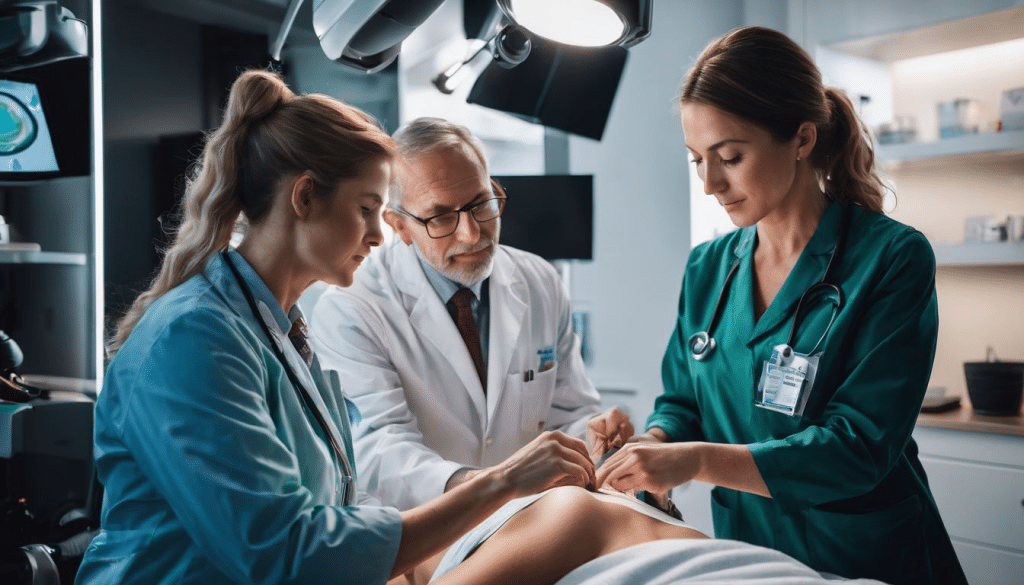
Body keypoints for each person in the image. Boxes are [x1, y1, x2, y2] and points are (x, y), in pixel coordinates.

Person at [74, 70, 597, 585]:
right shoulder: (193, 340)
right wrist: (500, 485)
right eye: (367, 209)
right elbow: (287, 555)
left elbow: (340, 500)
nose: (378, 235)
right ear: (304, 198)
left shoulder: (283, 331)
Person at [591, 26, 968, 585]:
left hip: (862, 552)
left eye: (731, 156)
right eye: (697, 160)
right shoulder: (708, 267)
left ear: (803, 138)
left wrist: (695, 460)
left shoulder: (892, 258)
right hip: (750, 554)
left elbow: (857, 446)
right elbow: (681, 403)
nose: (711, 184)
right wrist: (651, 445)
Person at [309, 116, 626, 510]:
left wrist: (595, 434)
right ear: (399, 226)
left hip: (531, 518)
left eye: (481, 204)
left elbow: (568, 412)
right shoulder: (352, 308)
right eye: (440, 217)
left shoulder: (540, 280)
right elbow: (378, 447)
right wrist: (491, 485)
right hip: (424, 531)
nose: (472, 234)